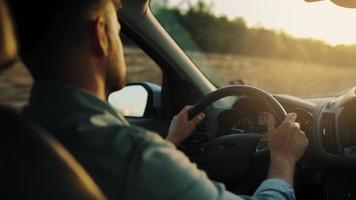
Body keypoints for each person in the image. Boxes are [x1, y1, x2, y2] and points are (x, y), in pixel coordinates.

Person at [9, 0, 309, 199]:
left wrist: (171, 140)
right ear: (100, 35)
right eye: (117, 31)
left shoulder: (20, 134)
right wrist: (282, 159)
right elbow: (132, 169)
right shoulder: (131, 156)